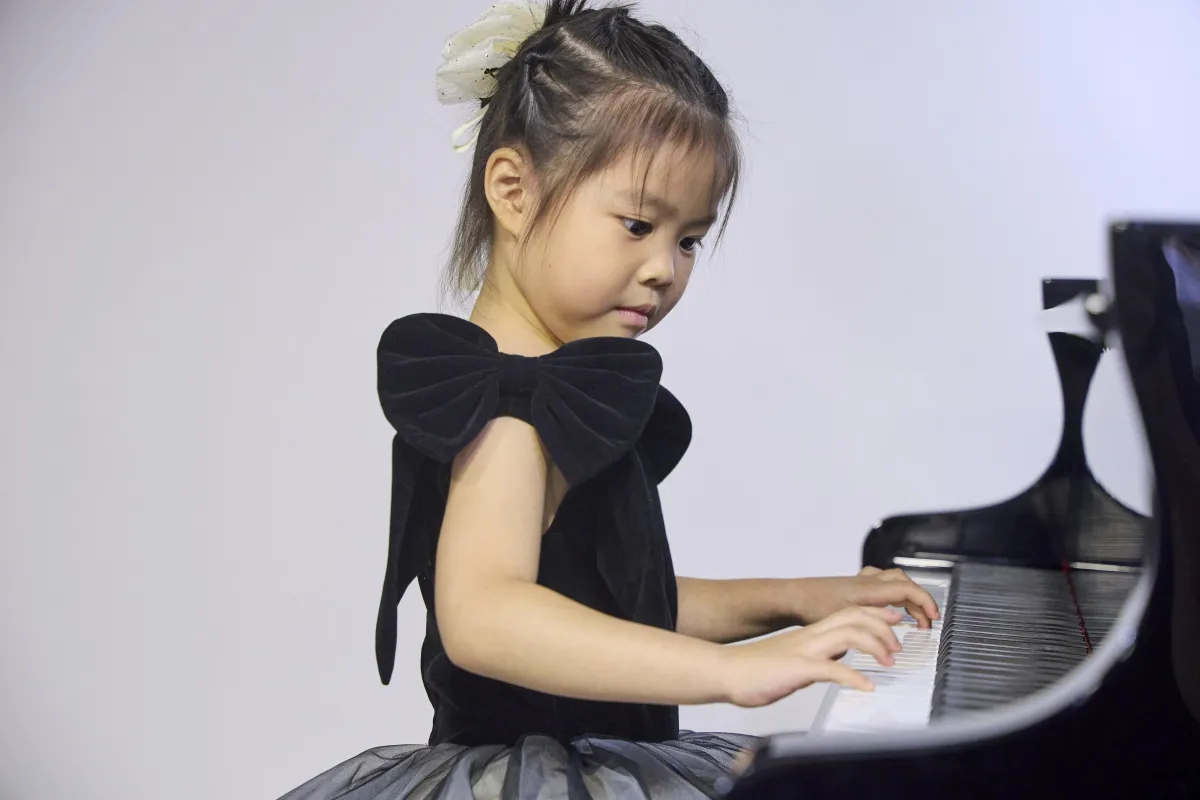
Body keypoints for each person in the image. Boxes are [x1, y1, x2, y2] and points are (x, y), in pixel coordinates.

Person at [280, 1, 939, 797]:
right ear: (514, 192)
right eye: (637, 224)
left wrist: (794, 599)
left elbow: (615, 604)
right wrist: (727, 673)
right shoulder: (513, 406)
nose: (666, 268)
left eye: (688, 239)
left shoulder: (548, 384)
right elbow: (484, 613)